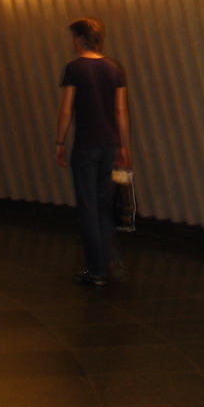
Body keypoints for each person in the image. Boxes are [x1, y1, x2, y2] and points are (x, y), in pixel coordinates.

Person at [54, 17, 133, 286]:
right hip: (110, 145)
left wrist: (59, 142)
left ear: (80, 38)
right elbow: (120, 112)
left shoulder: (74, 68)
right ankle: (112, 261)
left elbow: (66, 110)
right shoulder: (115, 68)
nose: (71, 42)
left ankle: (96, 269)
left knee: (88, 208)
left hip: (86, 146)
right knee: (103, 207)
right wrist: (124, 146)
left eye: (73, 36)